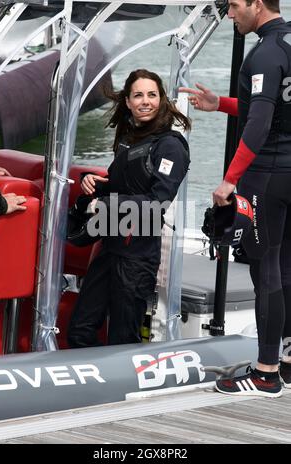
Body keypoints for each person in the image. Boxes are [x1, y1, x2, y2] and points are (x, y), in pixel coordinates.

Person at [181, 0, 291, 398]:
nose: (229, 14)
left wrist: (230, 181)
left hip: (268, 178)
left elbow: (260, 123)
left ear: (257, 4)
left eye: (233, 6)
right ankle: (288, 361)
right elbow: (275, 107)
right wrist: (220, 105)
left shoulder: (264, 53)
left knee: (266, 272)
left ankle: (265, 373)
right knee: (287, 265)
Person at [68, 69, 190, 347]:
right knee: (80, 330)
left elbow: (157, 203)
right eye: (138, 95)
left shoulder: (170, 146)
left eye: (152, 95)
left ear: (161, 100)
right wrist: (92, 183)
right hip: (109, 246)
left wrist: (108, 203)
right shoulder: (128, 138)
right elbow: (120, 184)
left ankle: (122, 389)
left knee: (123, 338)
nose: (145, 101)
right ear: (128, 102)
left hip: (137, 257)